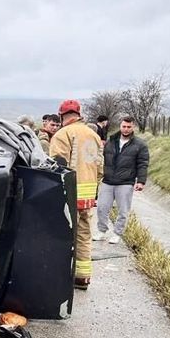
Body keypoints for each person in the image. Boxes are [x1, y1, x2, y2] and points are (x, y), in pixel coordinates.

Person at [49, 100, 103, 290]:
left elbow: (57, 166)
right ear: (79, 114)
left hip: (69, 195)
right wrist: (94, 192)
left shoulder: (63, 134)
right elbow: (100, 168)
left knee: (61, 236)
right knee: (84, 236)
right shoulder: (93, 135)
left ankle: (58, 279)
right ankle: (82, 277)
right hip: (87, 196)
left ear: (62, 115)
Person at [93, 116, 149, 244]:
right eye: (124, 126)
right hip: (108, 180)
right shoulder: (111, 141)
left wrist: (141, 181)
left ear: (133, 127)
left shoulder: (140, 145)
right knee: (101, 207)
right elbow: (101, 157)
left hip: (125, 182)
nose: (126, 129)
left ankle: (117, 233)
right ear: (120, 126)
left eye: (129, 127)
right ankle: (102, 230)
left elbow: (143, 163)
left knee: (123, 210)